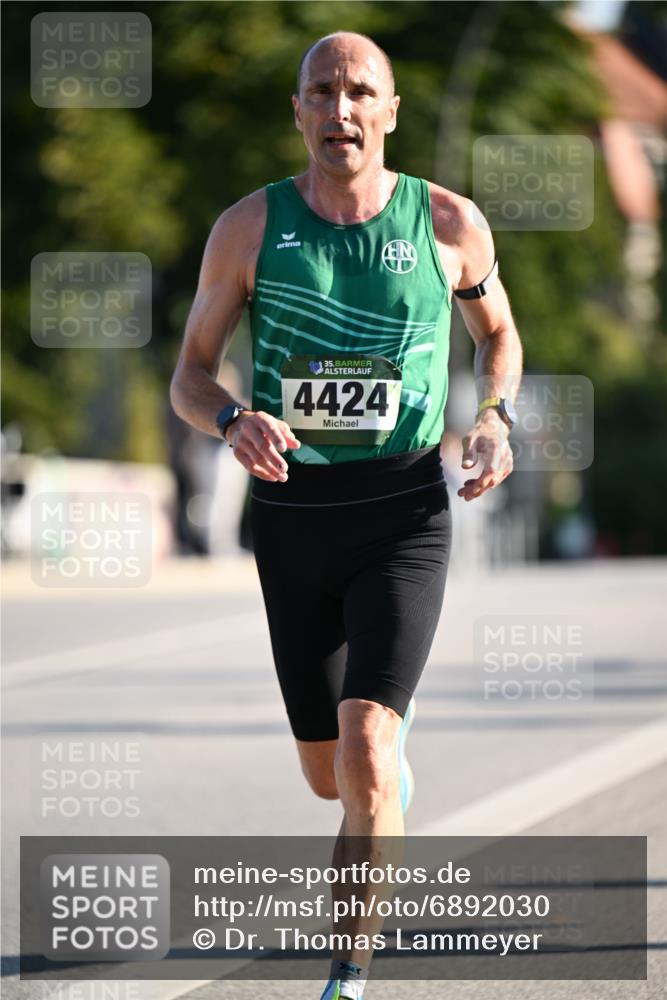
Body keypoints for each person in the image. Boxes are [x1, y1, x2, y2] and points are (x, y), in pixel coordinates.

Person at [170, 30, 523, 1000]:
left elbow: (498, 335)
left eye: (359, 91)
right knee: (329, 775)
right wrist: (232, 418)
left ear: (389, 111)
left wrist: (494, 417)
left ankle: (348, 977)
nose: (340, 109)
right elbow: (189, 375)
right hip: (293, 518)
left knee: (366, 746)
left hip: (403, 510)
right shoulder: (249, 228)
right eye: (320, 91)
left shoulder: (447, 223)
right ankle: (380, 781)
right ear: (297, 111)